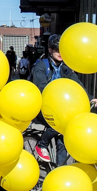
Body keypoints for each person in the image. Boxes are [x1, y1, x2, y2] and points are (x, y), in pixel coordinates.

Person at [30, 34, 81, 167]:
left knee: (62, 139)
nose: (60, 53)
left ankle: (60, 170)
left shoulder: (65, 68)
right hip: (41, 106)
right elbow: (41, 86)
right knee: (58, 123)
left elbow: (77, 83)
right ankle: (42, 145)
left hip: (59, 108)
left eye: (62, 50)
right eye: (57, 50)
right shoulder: (41, 66)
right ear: (50, 50)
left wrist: (90, 97)